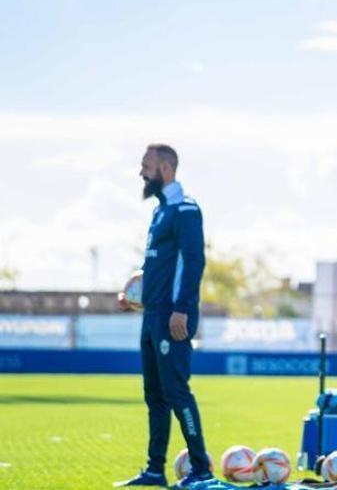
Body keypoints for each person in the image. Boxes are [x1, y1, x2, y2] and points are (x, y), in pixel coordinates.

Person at [115, 144, 212, 489]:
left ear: (166, 169)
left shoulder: (185, 209)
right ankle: (154, 470)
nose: (141, 172)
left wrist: (182, 308)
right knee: (154, 395)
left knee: (175, 392)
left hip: (173, 316)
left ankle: (201, 468)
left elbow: (194, 261)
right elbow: (161, 264)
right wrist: (136, 294)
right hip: (152, 314)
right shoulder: (159, 212)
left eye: (147, 166)